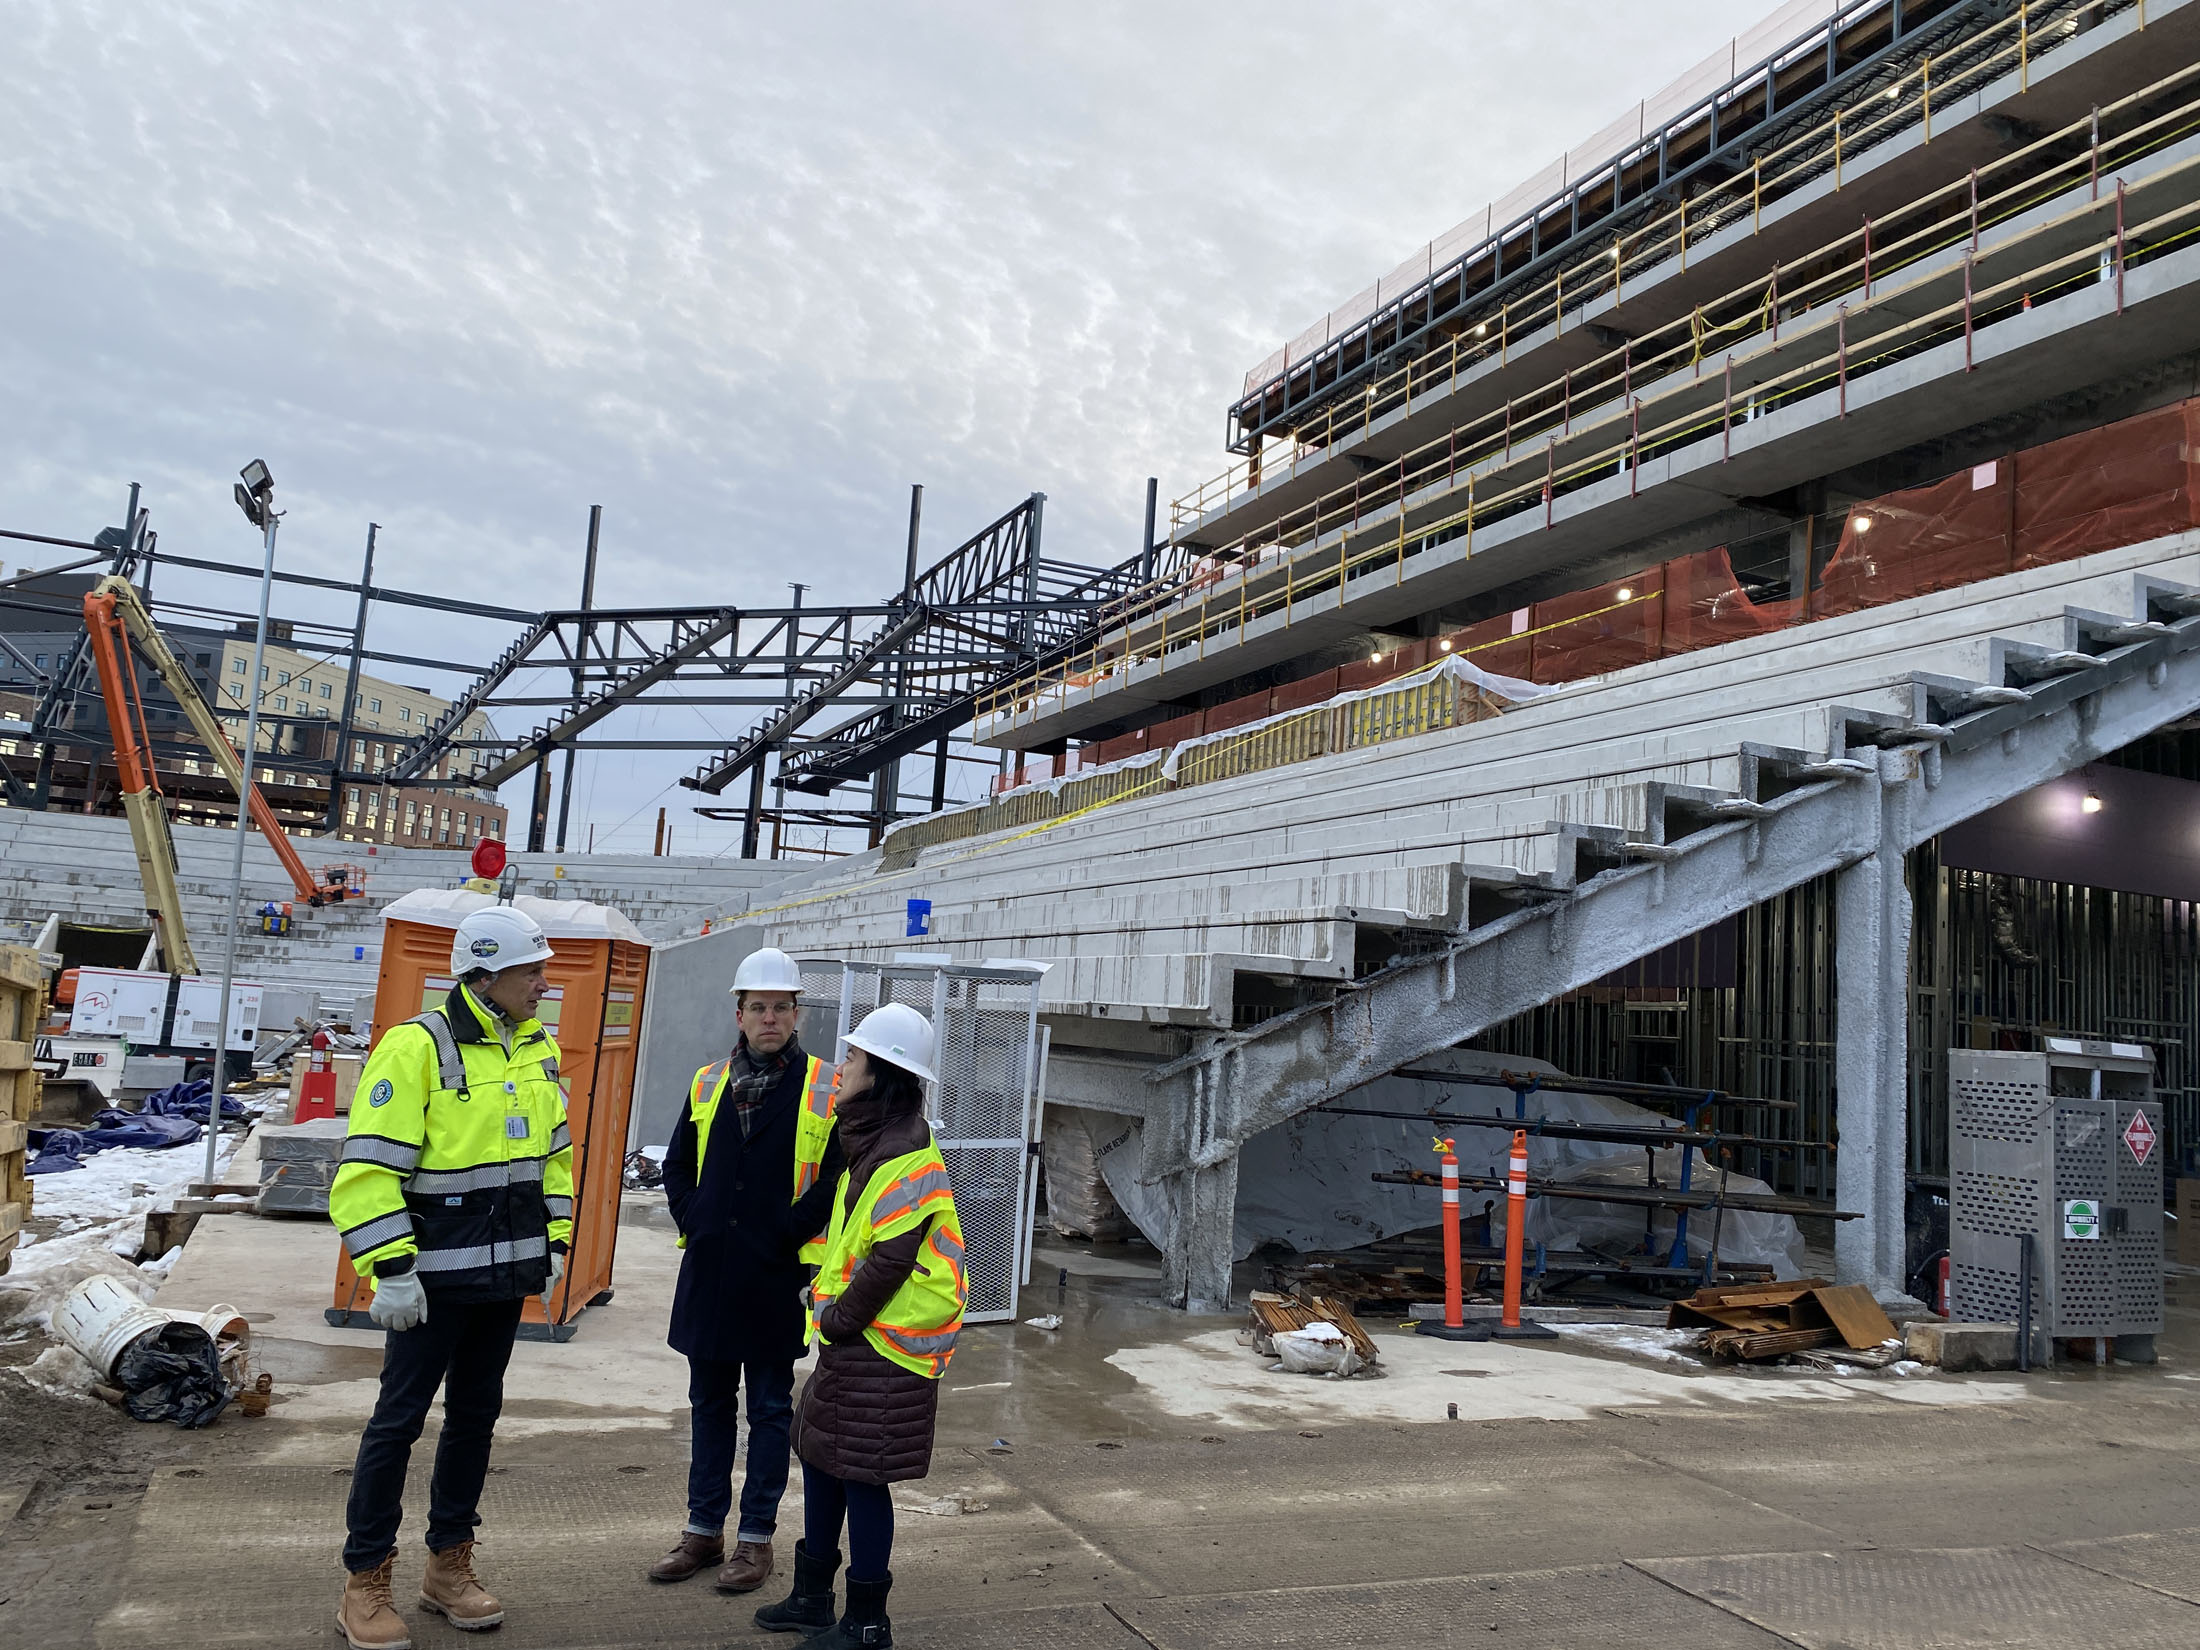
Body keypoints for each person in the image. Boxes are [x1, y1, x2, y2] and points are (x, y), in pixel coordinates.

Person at [327, 904, 574, 1650]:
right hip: (428, 1286)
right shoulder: (415, 1049)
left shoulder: (537, 1050)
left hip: (502, 1284)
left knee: (474, 1422)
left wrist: (555, 1241)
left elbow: (555, 1158)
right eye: (532, 970)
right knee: (397, 1424)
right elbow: (367, 1171)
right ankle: (365, 1581)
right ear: (487, 974)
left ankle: (447, 1568)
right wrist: (391, 1270)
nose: (543, 982)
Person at [756, 1002, 966, 1649]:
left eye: (853, 1056)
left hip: (886, 1341)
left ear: (882, 1072)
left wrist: (839, 1318)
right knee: (823, 1458)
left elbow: (891, 1260)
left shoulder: (903, 1152)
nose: (841, 1065)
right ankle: (814, 1598)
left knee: (864, 1477)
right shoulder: (876, 1138)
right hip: (860, 1337)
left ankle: (867, 1623)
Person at [651, 947, 843, 1595]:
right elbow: (677, 1165)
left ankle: (755, 1540)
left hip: (775, 1277)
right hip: (710, 1273)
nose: (769, 1018)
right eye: (758, 1008)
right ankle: (703, 1532)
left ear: (798, 1016)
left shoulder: (825, 1086)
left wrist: (789, 1233)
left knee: (767, 1410)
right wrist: (695, 1219)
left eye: (780, 1008)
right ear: (739, 1015)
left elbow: (837, 1179)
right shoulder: (708, 1082)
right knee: (708, 1405)